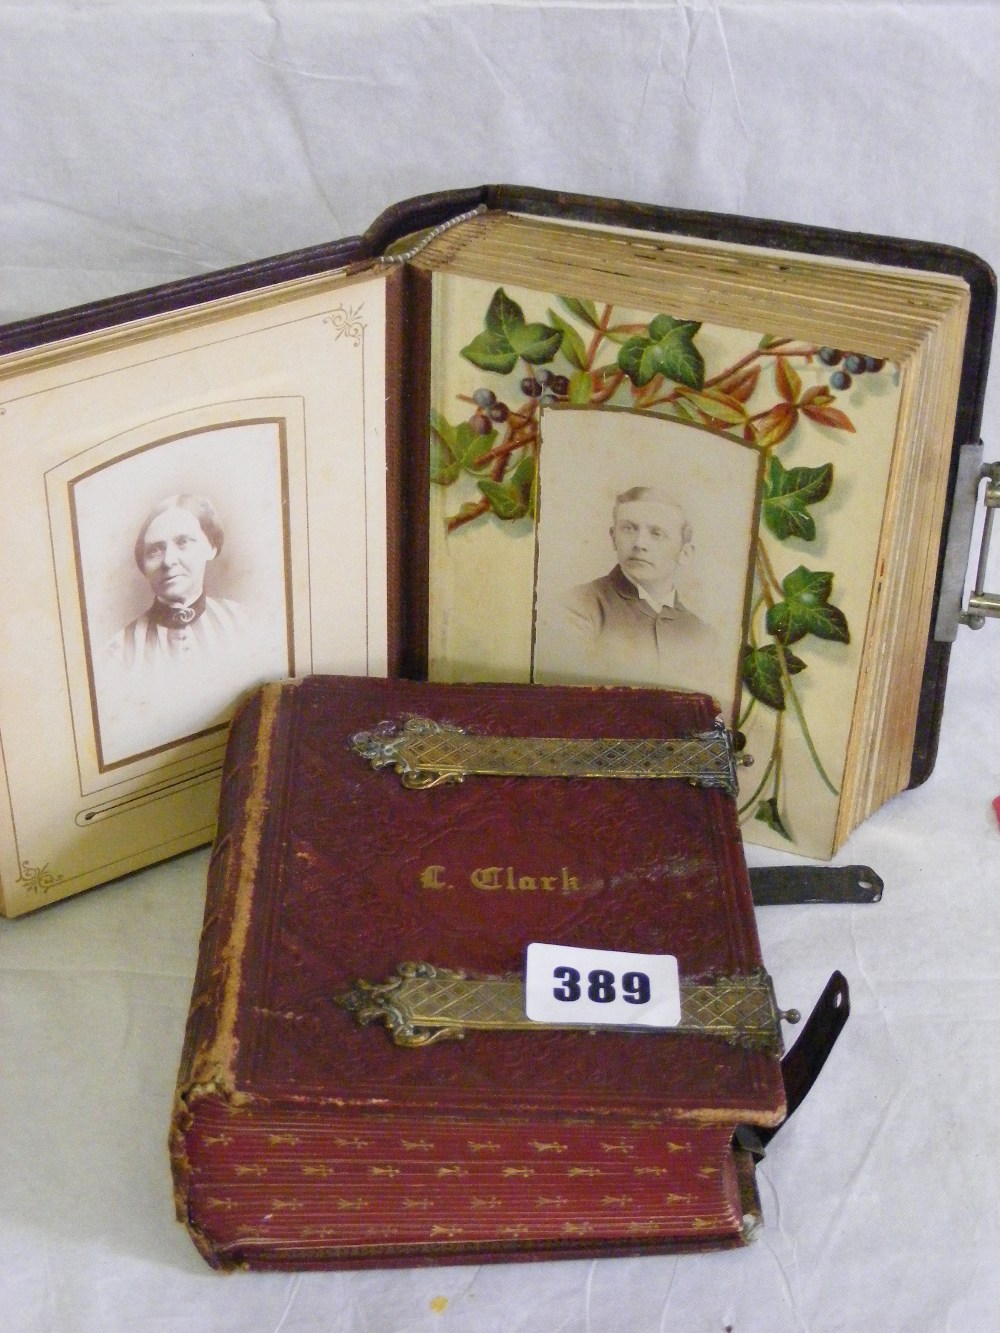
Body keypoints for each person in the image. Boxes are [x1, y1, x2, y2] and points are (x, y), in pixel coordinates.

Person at [562, 485, 713, 680]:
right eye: (628, 528)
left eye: (657, 533)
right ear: (613, 537)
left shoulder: (703, 635)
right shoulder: (578, 608)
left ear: (685, 553)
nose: (639, 543)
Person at [106, 494, 247, 671]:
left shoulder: (243, 624)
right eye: (155, 550)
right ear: (143, 564)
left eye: (183, 542)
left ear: (211, 547)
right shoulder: (119, 654)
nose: (168, 561)